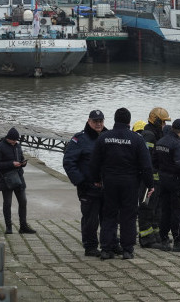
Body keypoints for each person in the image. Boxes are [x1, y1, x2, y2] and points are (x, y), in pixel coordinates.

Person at [89, 108, 154, 260]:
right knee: (128, 216)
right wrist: (150, 184)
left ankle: (106, 249)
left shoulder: (104, 137)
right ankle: (127, 250)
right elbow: (146, 165)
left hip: (109, 182)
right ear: (129, 121)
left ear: (114, 119)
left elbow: (94, 162)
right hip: (130, 183)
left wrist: (96, 179)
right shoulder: (137, 139)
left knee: (109, 215)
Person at [63, 110, 107, 257]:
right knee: (90, 219)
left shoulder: (108, 137)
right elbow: (69, 162)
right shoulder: (80, 139)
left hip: (107, 187)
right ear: (89, 121)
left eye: (101, 121)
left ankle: (109, 244)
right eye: (95, 121)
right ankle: (90, 246)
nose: (98, 124)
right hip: (88, 187)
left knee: (108, 218)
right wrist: (81, 182)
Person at [154, 119, 180, 253]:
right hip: (176, 181)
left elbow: (154, 161)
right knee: (177, 211)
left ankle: (164, 240)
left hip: (162, 180)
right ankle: (178, 241)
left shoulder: (160, 142)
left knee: (164, 210)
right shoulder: (177, 144)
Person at [0, 127, 36, 235]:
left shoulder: (18, 146)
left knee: (23, 201)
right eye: (13, 140)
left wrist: (23, 163)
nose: (15, 142)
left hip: (19, 177)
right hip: (6, 178)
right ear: (8, 138)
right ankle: (8, 227)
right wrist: (11, 164)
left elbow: (20, 158)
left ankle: (23, 226)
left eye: (16, 140)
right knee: (7, 203)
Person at [137, 107, 171, 249]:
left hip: (156, 180)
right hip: (148, 180)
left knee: (156, 209)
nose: (164, 125)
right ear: (156, 121)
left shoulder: (155, 134)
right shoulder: (149, 135)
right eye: (163, 122)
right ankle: (146, 239)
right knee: (147, 209)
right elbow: (147, 159)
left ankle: (155, 236)